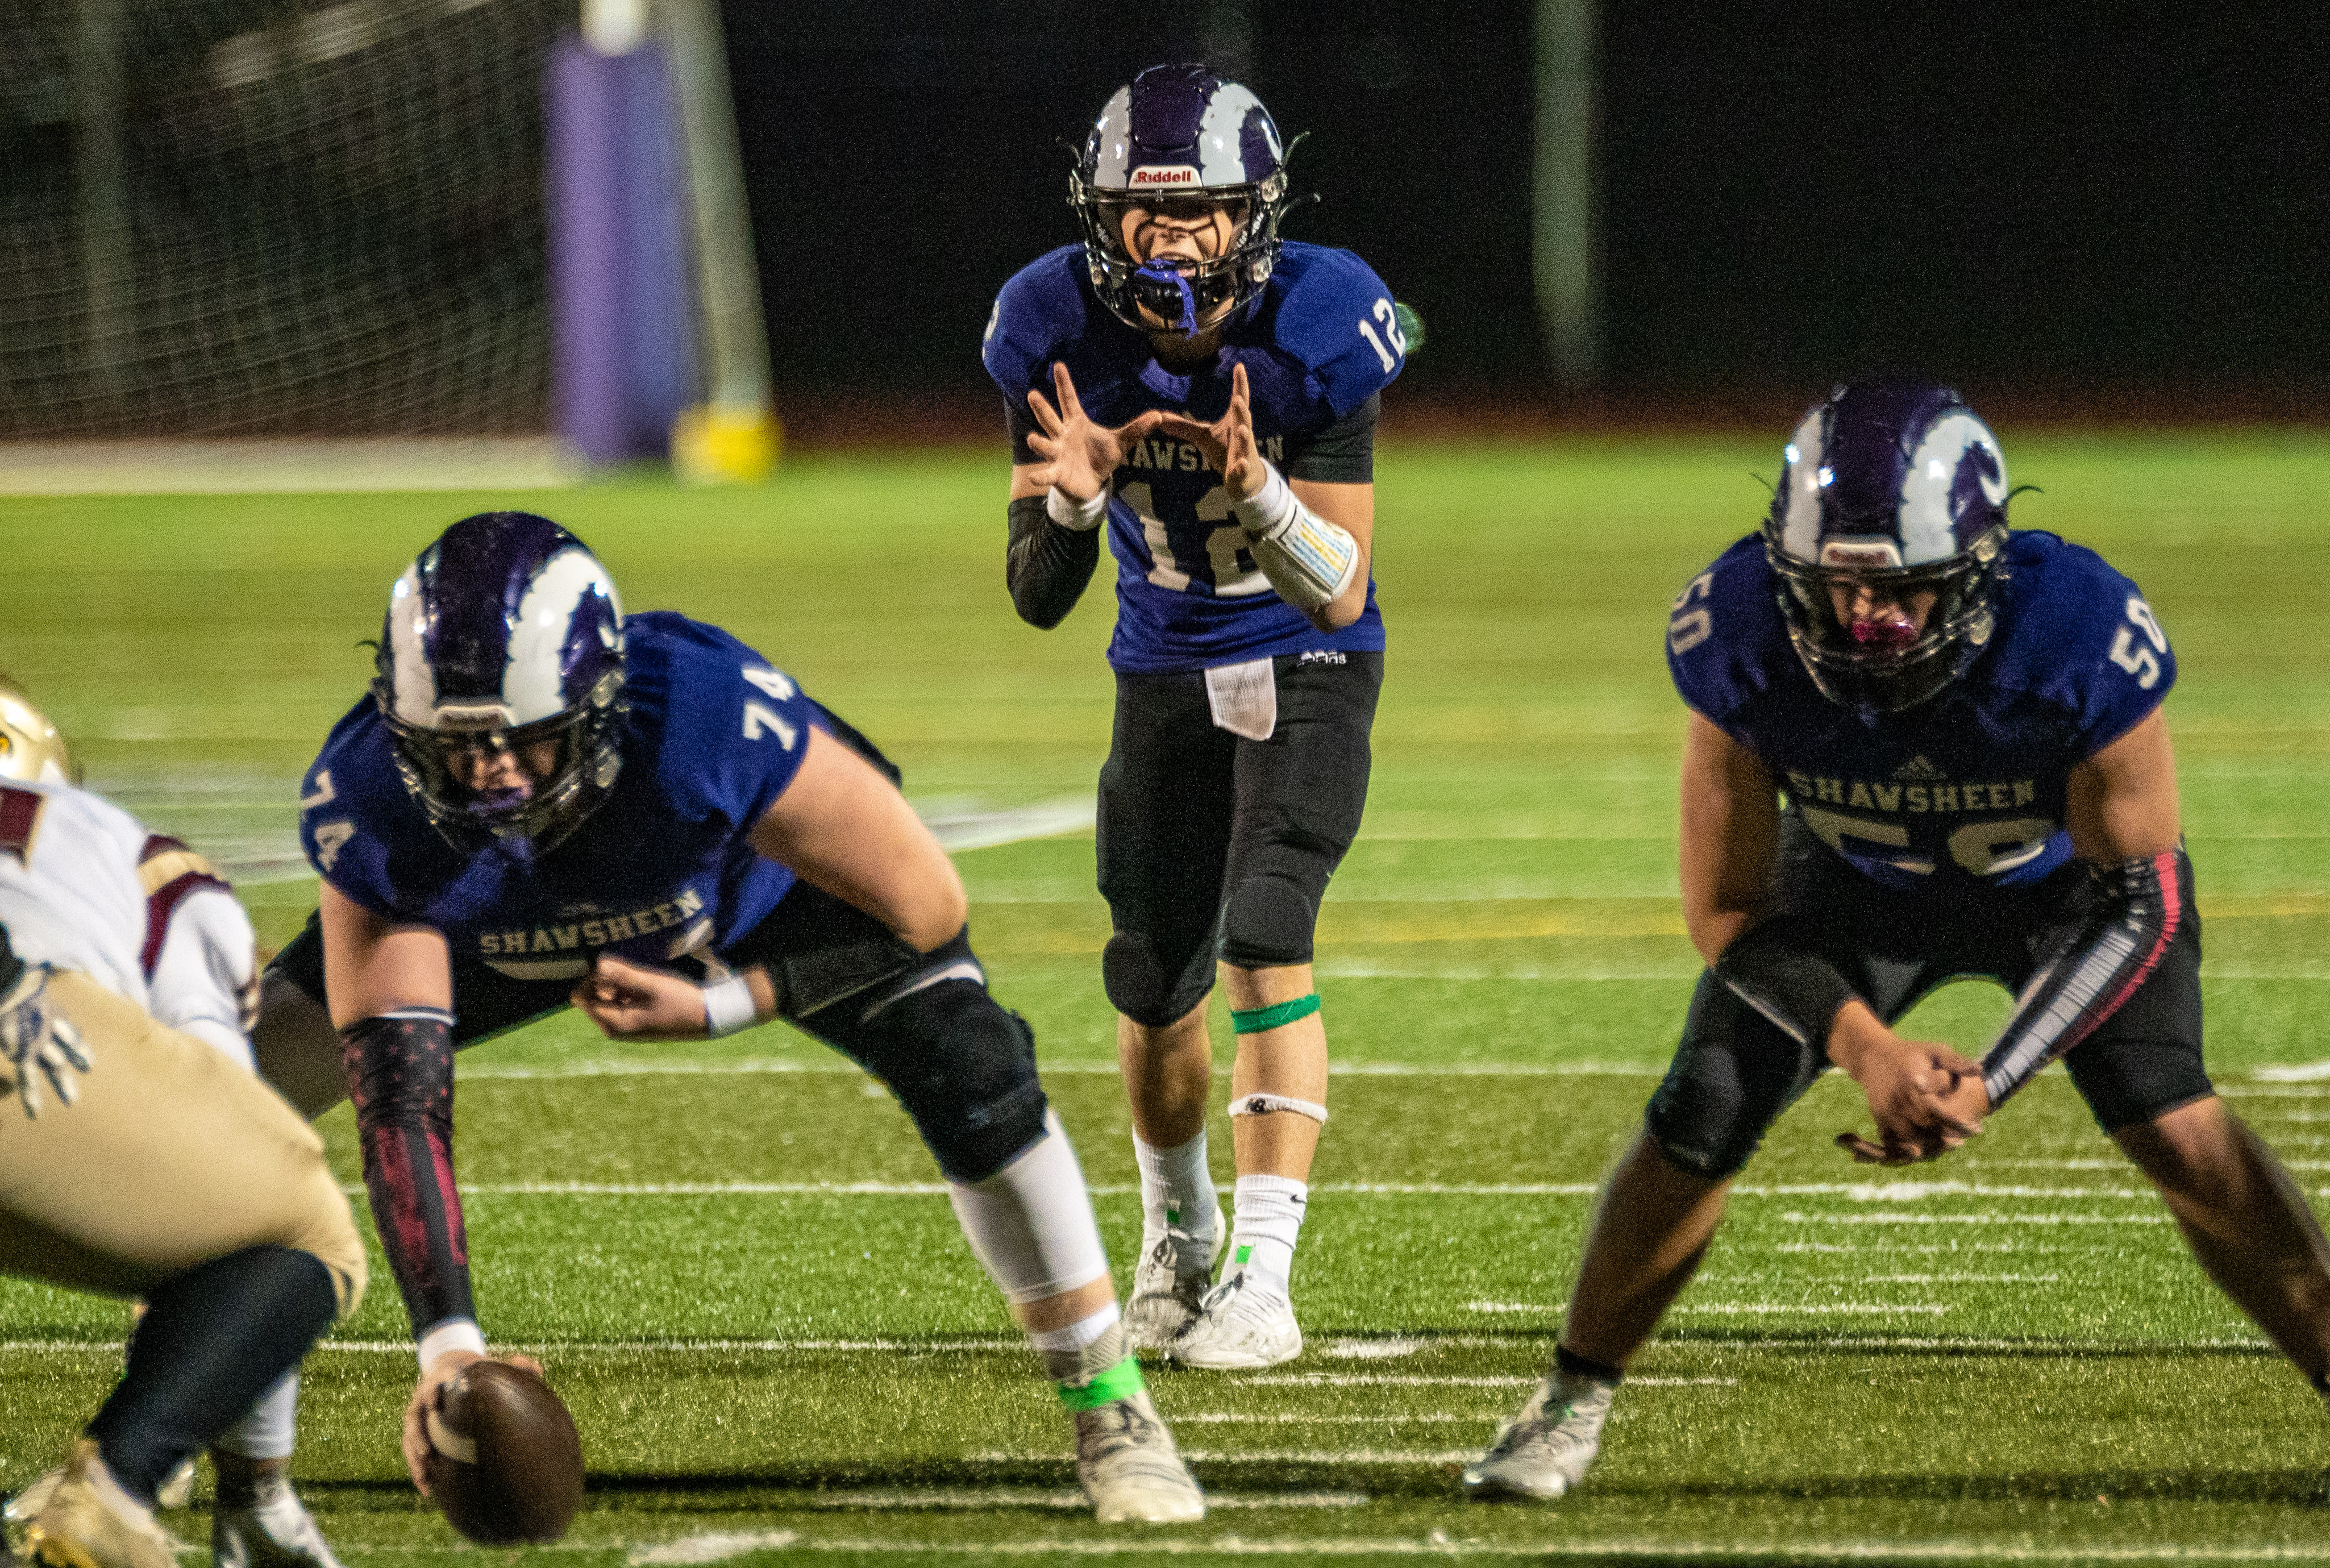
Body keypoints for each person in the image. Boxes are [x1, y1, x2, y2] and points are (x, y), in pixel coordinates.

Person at [1462, 379, 2330, 1501]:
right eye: (1836, 588)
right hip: (1851, 887)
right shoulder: (1740, 636)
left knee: (2172, 1117)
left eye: (1903, 591)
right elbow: (1728, 913)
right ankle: (1572, 1397)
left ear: (1977, 571)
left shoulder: (2077, 631)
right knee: (1703, 1109)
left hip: (2062, 897)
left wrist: (1998, 1073)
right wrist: (1867, 1050)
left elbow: (2141, 901)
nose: (1867, 621)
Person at [246, 511, 1203, 1524]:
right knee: (225, 1100)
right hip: (494, 927)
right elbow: (399, 1100)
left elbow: (925, 909)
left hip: (748, 906)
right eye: (455, 750)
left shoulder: (700, 716)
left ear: (598, 703)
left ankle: (1110, 1404)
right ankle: (191, 1410)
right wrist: (450, 1350)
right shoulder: (370, 797)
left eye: (521, 742)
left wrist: (725, 1003)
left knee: (972, 1060)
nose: (490, 780)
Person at [983, 62, 1408, 1370]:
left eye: (1205, 212)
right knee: (1150, 973)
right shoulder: (1047, 328)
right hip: (1159, 663)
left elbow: (1338, 593)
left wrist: (1263, 491)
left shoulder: (1321, 321)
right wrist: (1069, 498)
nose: (1172, 240)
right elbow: (1036, 596)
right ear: (1097, 219)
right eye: (1143, 214)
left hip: (1305, 663)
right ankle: (1177, 1239)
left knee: (1269, 927)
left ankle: (1263, 1281)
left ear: (1258, 216)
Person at [0, 681, 367, 1568]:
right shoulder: (118, 847)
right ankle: (117, 1487)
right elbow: (238, 1122)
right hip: (27, 1033)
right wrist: (255, 1481)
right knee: (302, 1231)